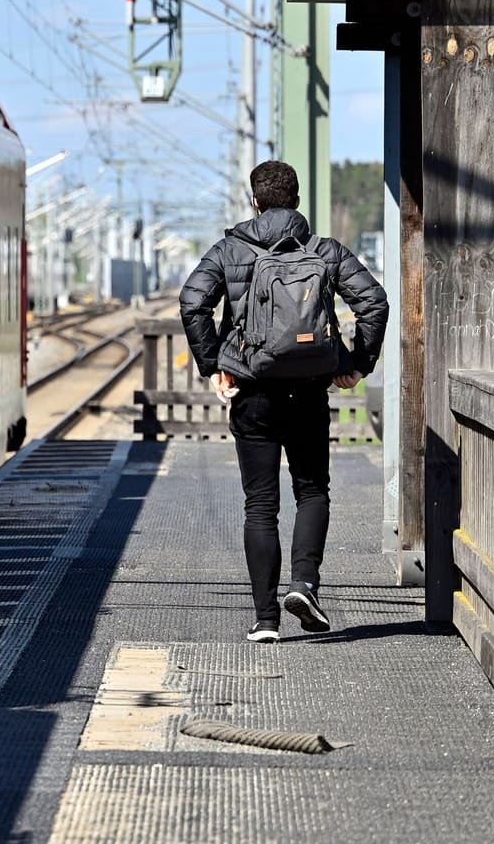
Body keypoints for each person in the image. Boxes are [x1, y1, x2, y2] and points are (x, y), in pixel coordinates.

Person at [179, 160, 389, 643]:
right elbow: (373, 301)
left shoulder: (230, 249)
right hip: (310, 391)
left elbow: (193, 303)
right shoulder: (323, 250)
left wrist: (215, 365)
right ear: (296, 200)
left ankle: (265, 620)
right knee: (312, 491)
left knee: (260, 506)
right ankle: (305, 585)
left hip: (253, 392)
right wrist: (357, 362)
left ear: (254, 201)